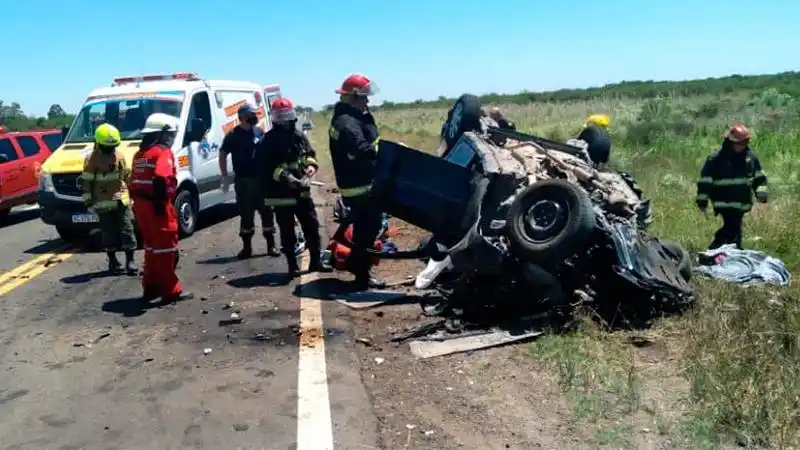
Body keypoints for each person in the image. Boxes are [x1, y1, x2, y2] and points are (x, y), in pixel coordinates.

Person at [328, 73, 386, 290]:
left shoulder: (352, 117)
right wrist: (384, 151)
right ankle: (361, 275)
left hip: (359, 184)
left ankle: (357, 266)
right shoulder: (347, 123)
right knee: (367, 232)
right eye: (363, 97)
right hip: (359, 187)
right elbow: (362, 150)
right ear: (352, 97)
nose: (367, 101)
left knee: (367, 229)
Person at [259, 98, 328, 277]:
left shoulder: (298, 136)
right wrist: (287, 177)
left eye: (286, 116)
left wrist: (310, 169)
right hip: (281, 194)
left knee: (312, 226)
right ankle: (292, 265)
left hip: (301, 191)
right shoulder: (268, 140)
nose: (284, 121)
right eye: (280, 117)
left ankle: (316, 261)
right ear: (274, 118)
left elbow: (310, 155)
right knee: (287, 230)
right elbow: (267, 167)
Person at [129, 113, 193, 302]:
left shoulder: (139, 154)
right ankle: (170, 291)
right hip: (156, 206)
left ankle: (151, 287)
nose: (171, 139)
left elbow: (134, 181)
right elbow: (161, 177)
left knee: (151, 248)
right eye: (170, 135)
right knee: (166, 248)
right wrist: (159, 203)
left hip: (141, 206)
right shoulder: (162, 153)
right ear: (162, 134)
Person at [219, 103, 280, 259]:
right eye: (251, 115)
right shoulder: (232, 135)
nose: (255, 117)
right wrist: (224, 176)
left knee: (267, 212)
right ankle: (247, 248)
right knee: (246, 214)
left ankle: (271, 246)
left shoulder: (259, 132)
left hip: (261, 180)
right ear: (242, 117)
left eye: (255, 114)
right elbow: (223, 154)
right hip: (243, 181)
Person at [696, 123, 768, 250]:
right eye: (738, 143)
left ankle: (724, 249)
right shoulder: (716, 159)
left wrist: (761, 193)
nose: (741, 146)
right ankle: (721, 248)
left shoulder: (750, 158)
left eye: (744, 143)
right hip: (723, 203)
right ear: (730, 142)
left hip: (741, 203)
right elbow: (705, 181)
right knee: (733, 228)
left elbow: (759, 178)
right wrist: (702, 200)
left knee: (733, 228)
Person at [82, 123, 137, 275]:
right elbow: (86, 181)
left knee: (127, 228)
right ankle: (113, 261)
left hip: (121, 198)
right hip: (103, 200)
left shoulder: (119, 154)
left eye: (113, 146)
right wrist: (88, 200)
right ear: (98, 143)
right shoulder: (91, 159)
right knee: (108, 232)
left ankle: (130, 261)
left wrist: (133, 194)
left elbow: (126, 175)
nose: (111, 149)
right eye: (108, 146)